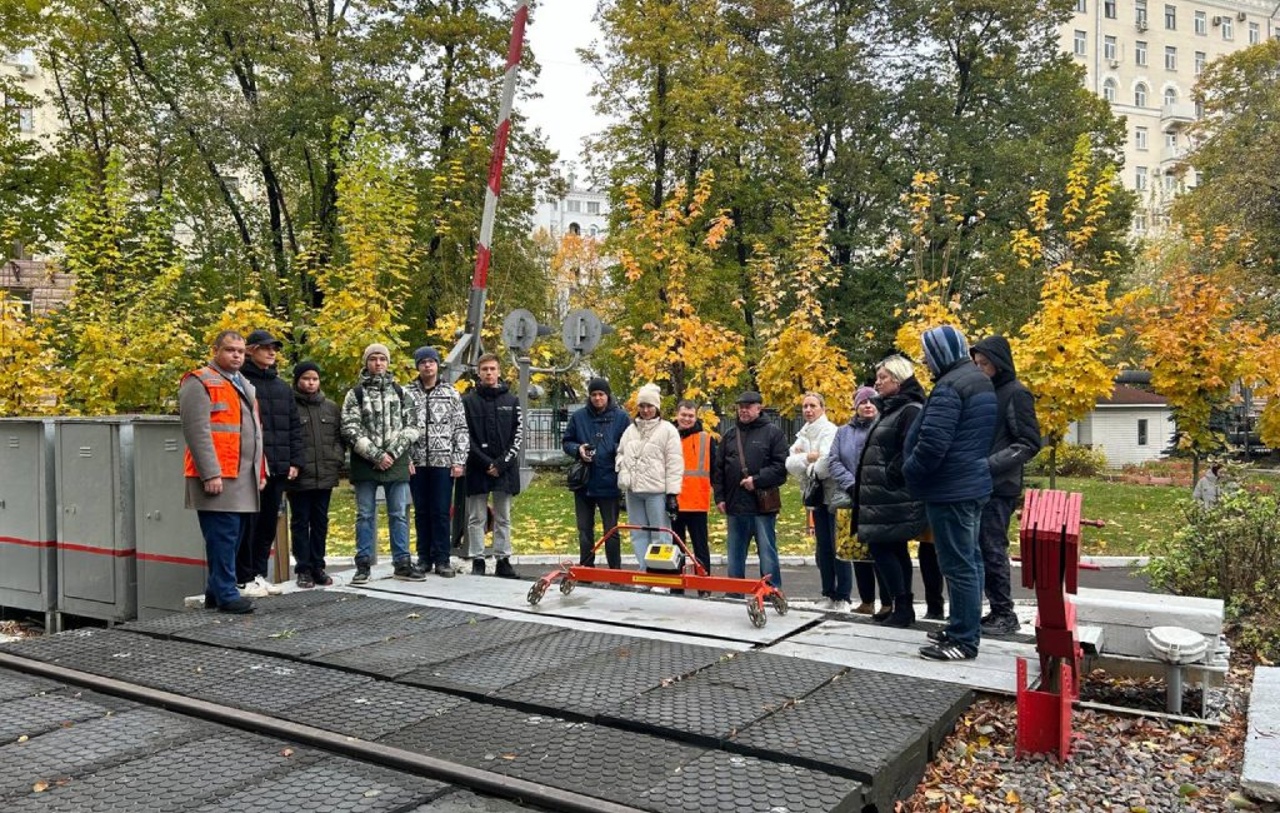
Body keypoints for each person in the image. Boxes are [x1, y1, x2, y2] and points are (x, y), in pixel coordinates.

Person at [905, 325, 997, 661]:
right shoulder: (977, 380)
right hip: (971, 484)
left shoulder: (949, 386)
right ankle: (962, 624)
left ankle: (963, 639)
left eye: (928, 355)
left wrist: (910, 470)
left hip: (950, 489)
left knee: (958, 565)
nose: (926, 363)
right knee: (969, 561)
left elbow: (933, 443)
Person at [179, 330, 265, 614]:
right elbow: (197, 432)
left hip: (240, 476)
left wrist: (259, 472)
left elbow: (254, 433)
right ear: (216, 350)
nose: (237, 355)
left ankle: (216, 591)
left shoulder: (242, 383)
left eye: (241, 351)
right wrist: (210, 474)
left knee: (234, 536)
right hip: (219, 475)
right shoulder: (199, 381)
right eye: (230, 350)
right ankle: (227, 593)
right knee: (223, 536)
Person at [971, 335, 1043, 637]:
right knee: (980, 549)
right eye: (976, 364)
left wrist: (990, 465)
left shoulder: (1015, 394)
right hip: (979, 482)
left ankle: (1004, 612)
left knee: (992, 548)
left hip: (999, 485)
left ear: (999, 364)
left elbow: (1028, 442)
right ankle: (994, 609)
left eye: (984, 363)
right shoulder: (986, 392)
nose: (980, 369)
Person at [854, 360, 929, 628]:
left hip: (893, 494)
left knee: (884, 547)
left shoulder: (909, 410)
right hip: (883, 495)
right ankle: (900, 606)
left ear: (898, 380)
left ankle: (903, 606)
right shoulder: (891, 409)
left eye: (883, 377)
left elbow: (911, 448)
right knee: (891, 548)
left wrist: (891, 474)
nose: (877, 382)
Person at [341, 343, 424, 584]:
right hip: (365, 462)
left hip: (396, 462)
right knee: (365, 514)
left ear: (388, 363)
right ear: (366, 362)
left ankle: (402, 563)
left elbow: (412, 427)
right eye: (373, 359)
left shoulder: (401, 393)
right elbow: (350, 428)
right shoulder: (355, 394)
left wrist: (392, 453)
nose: (378, 363)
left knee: (399, 514)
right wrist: (376, 455)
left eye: (382, 359)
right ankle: (363, 565)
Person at [236, 329, 302, 598]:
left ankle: (259, 575)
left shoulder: (282, 387)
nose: (272, 352)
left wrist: (295, 461)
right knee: (248, 524)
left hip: (277, 467)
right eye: (265, 348)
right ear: (251, 350)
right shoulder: (240, 383)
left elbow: (294, 427)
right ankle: (243, 577)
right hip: (251, 469)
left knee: (267, 526)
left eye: (274, 348)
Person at [826, 385, 892, 616]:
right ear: (856, 406)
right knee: (857, 550)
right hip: (852, 498)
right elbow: (833, 460)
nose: (868, 405)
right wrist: (851, 483)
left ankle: (887, 601)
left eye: (872, 401)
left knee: (880, 552)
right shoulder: (844, 432)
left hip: (879, 498)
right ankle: (866, 600)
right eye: (863, 402)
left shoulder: (886, 427)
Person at [712, 390, 789, 589]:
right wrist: (719, 497)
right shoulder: (729, 435)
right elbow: (718, 469)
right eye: (740, 407)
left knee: (767, 552)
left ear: (759, 407)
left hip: (762, 505)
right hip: (735, 504)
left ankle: (772, 592)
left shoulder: (774, 433)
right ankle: (735, 591)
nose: (743, 411)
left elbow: (781, 468)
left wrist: (757, 480)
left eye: (748, 406)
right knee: (735, 553)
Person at [406, 345, 469, 578]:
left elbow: (461, 428)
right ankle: (424, 558)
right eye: (422, 362)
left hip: (444, 463)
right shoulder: (407, 394)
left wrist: (459, 460)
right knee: (421, 511)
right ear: (418, 366)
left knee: (442, 511)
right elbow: (401, 428)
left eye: (431, 362)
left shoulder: (451, 393)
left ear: (437, 365)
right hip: (417, 463)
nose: (427, 366)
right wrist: (406, 458)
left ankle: (442, 559)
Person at [461, 353, 523, 578]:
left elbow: (518, 435)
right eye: (484, 369)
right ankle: (478, 559)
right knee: (476, 517)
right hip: (477, 467)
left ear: (499, 371)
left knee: (503, 516)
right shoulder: (468, 401)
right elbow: (464, 437)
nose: (488, 373)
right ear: (479, 372)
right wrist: (486, 463)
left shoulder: (512, 401)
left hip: (504, 470)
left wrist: (501, 464)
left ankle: (503, 560)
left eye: (492, 368)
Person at [286, 361, 344, 589]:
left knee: (320, 521)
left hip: (326, 474)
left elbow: (339, 438)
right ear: (297, 380)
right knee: (301, 522)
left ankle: (318, 565)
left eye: (314, 379)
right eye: (306, 378)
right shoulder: (290, 406)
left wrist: (336, 458)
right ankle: (303, 568)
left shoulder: (330, 407)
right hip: (300, 476)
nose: (310, 383)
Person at [562, 377, 630, 568]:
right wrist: (578, 449)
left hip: (609, 481)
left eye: (601, 394)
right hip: (584, 482)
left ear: (608, 396)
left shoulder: (621, 418)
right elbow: (567, 442)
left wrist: (613, 449)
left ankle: (615, 570)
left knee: (611, 530)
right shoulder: (579, 417)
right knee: (584, 529)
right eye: (594, 394)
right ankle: (586, 567)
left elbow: (629, 444)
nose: (598, 398)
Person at [785, 393, 843, 611]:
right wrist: (810, 456)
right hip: (816, 497)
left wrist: (807, 464)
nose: (808, 410)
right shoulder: (804, 434)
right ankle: (828, 593)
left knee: (837, 548)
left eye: (813, 406)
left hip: (833, 497)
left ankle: (843, 596)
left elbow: (826, 463)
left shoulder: (830, 431)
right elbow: (789, 464)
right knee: (823, 549)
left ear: (823, 408)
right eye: (805, 406)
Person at [616, 383, 683, 568]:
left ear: (657, 408)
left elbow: (674, 463)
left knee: (660, 534)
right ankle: (644, 572)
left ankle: (661, 575)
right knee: (638, 534)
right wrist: (622, 468)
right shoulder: (630, 431)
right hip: (633, 491)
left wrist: (672, 494)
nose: (645, 410)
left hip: (657, 491)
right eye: (642, 406)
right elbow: (620, 452)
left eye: (650, 406)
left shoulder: (668, 430)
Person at [672, 400, 717, 593]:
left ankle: (704, 586)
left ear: (696, 417)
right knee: (676, 548)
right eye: (684, 415)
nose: (687, 419)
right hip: (674, 501)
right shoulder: (669, 436)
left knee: (700, 547)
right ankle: (676, 586)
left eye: (691, 416)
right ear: (677, 415)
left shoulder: (706, 439)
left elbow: (715, 469)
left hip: (697, 501)